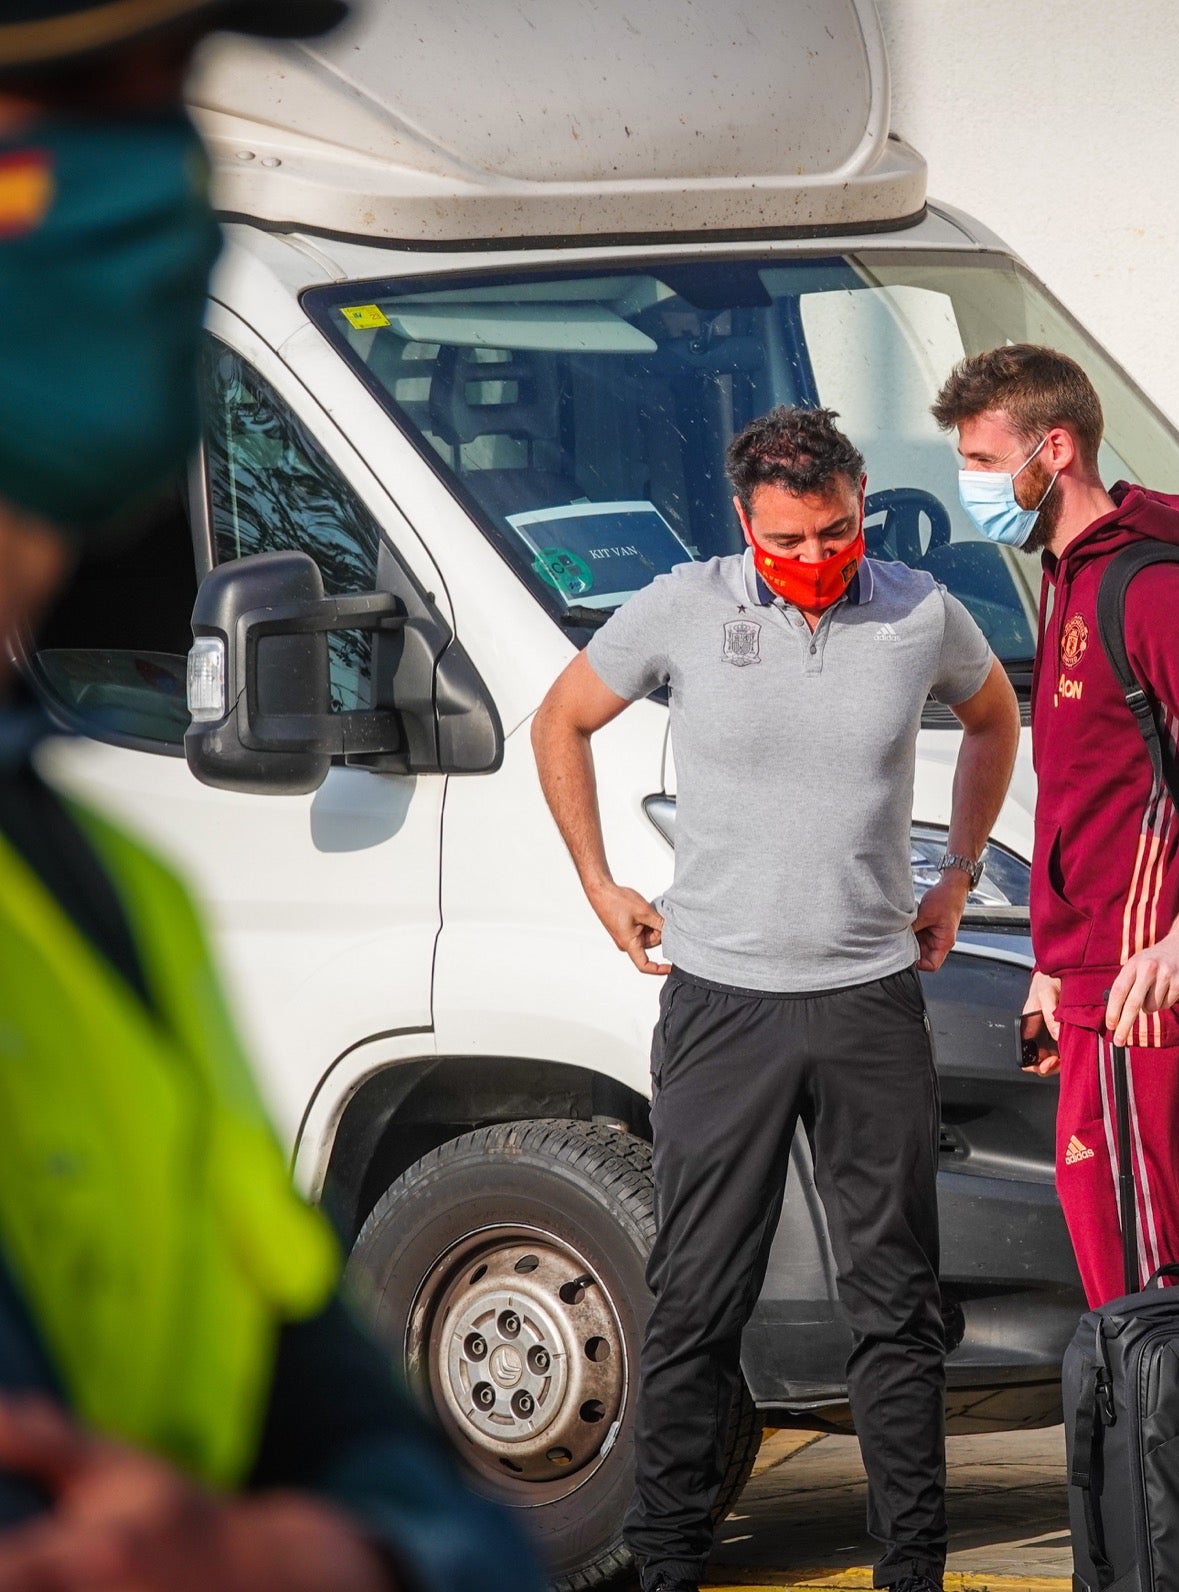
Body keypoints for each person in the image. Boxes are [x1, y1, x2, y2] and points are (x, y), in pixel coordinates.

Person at [0, 5, 543, 1589]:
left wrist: (292, 1554)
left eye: (164, 90)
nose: (156, 171)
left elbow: (421, 1500)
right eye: (56, 98)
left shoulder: (98, 893)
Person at [532, 406, 1020, 1592]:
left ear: (861, 502)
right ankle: (667, 1567)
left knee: (895, 1305)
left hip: (867, 1006)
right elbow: (562, 718)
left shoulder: (916, 611)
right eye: (789, 541)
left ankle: (914, 1571)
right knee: (697, 1299)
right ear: (743, 523)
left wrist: (953, 871)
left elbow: (994, 714)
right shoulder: (684, 605)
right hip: (723, 1008)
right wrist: (601, 884)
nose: (814, 560)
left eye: (837, 532)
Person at [932, 345, 1179, 1310]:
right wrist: (1054, 963)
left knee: (1159, 1288)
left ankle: (1170, 1465)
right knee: (1116, 1278)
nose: (971, 485)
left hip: (1146, 997)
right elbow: (1087, 796)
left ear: (1053, 449)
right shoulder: (1067, 574)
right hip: (1091, 989)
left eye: (982, 461)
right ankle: (1132, 1463)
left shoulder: (1151, 591)